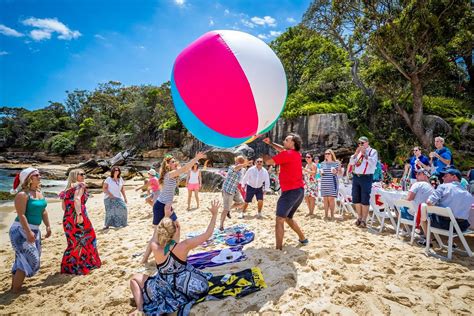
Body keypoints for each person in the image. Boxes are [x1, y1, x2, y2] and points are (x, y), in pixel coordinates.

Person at [130, 200, 220, 315]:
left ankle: (139, 308)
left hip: (163, 288)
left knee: (134, 278)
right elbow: (208, 234)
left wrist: (166, 216)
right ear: (176, 230)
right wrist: (214, 215)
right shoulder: (184, 246)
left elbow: (156, 234)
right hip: (187, 287)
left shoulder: (155, 247)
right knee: (201, 284)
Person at [142, 152, 206, 264]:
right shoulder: (170, 174)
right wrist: (196, 158)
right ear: (168, 165)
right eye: (172, 162)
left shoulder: (172, 173)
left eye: (175, 161)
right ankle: (145, 259)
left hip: (167, 205)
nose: (175, 163)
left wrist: (180, 164)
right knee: (157, 234)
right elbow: (186, 168)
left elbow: (184, 168)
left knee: (176, 227)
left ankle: (175, 252)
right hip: (161, 206)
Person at [8, 167, 51, 293]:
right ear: (29, 179)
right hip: (20, 230)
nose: (39, 177)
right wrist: (28, 232)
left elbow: (43, 211)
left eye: (39, 175)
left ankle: (14, 288)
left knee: (22, 258)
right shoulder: (22, 195)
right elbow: (21, 215)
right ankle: (16, 289)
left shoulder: (39, 193)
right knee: (29, 258)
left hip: (35, 230)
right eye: (36, 175)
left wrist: (48, 226)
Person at [263, 134, 308, 250]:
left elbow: (268, 162)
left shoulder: (286, 154)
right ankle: (303, 239)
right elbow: (282, 149)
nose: (284, 141)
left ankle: (278, 249)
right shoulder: (296, 154)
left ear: (292, 143)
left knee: (279, 219)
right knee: (288, 218)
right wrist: (271, 143)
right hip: (299, 191)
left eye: (286, 140)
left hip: (290, 192)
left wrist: (263, 154)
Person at [60, 169, 101, 275]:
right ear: (75, 176)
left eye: (84, 174)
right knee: (89, 237)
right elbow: (77, 199)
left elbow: (64, 207)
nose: (84, 176)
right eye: (81, 174)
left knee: (73, 242)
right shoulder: (80, 185)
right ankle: (86, 264)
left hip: (67, 218)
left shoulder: (67, 190)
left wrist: (72, 213)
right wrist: (79, 214)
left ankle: (70, 267)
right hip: (79, 216)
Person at [418, 168, 473, 246]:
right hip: (461, 227)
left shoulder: (444, 187)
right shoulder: (468, 194)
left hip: (443, 225)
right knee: (453, 215)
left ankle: (428, 240)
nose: (443, 178)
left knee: (423, 208)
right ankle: (450, 242)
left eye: (445, 176)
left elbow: (429, 202)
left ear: (454, 177)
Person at [349, 136, 378, 228]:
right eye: (359, 143)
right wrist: (355, 154)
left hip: (366, 177)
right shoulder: (358, 153)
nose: (360, 145)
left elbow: (373, 163)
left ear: (367, 143)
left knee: (365, 199)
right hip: (356, 177)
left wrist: (365, 154)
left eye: (362, 143)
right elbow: (352, 163)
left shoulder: (373, 151)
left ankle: (364, 220)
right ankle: (359, 217)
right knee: (356, 198)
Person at [220, 156, 248, 230]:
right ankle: (221, 226)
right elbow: (236, 168)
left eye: (241, 162)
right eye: (239, 162)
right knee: (225, 209)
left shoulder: (242, 170)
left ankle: (229, 209)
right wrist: (244, 164)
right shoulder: (232, 167)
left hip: (235, 189)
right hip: (227, 190)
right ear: (236, 162)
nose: (239, 163)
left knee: (242, 203)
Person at [320, 149, 342, 220]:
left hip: (332, 182)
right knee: (325, 199)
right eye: (325, 154)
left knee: (331, 199)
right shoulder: (322, 163)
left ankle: (332, 215)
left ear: (331, 154)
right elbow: (320, 173)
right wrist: (320, 173)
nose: (326, 155)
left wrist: (336, 171)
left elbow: (340, 173)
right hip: (324, 182)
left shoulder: (336, 163)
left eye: (328, 153)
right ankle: (326, 215)